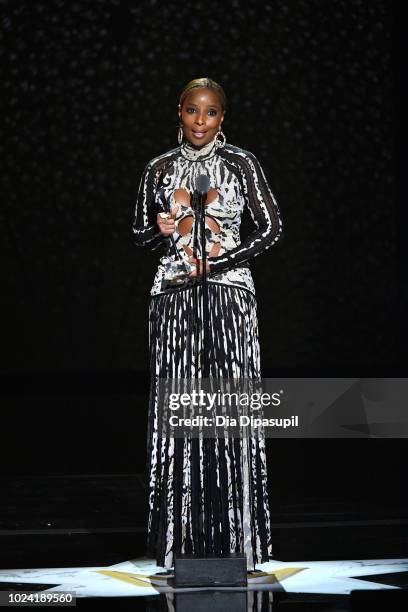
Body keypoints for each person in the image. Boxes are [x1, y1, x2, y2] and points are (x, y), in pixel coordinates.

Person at [132, 77, 283, 571]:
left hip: (228, 295)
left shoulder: (242, 163)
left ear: (223, 117)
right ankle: (177, 543)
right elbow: (140, 235)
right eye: (193, 111)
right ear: (179, 111)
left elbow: (273, 227)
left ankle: (240, 541)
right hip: (173, 297)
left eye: (211, 112)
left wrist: (217, 263)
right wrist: (162, 232)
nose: (201, 121)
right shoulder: (158, 168)